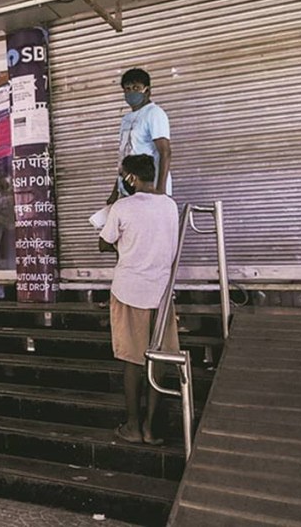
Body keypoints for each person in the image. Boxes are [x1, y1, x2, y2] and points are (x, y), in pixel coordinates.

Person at [99, 154, 180, 445]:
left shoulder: (122, 206)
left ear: (130, 178)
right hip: (161, 294)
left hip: (129, 291)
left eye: (123, 175)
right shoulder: (170, 206)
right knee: (157, 360)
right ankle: (150, 428)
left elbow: (103, 243)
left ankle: (132, 426)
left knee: (132, 361)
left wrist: (112, 200)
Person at [108, 67, 172, 204]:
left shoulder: (154, 113)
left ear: (147, 90)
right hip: (129, 189)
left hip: (149, 189)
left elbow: (165, 152)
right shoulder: (126, 119)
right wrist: (115, 192)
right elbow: (125, 158)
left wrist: (160, 190)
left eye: (136, 88)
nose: (131, 92)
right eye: (128, 89)